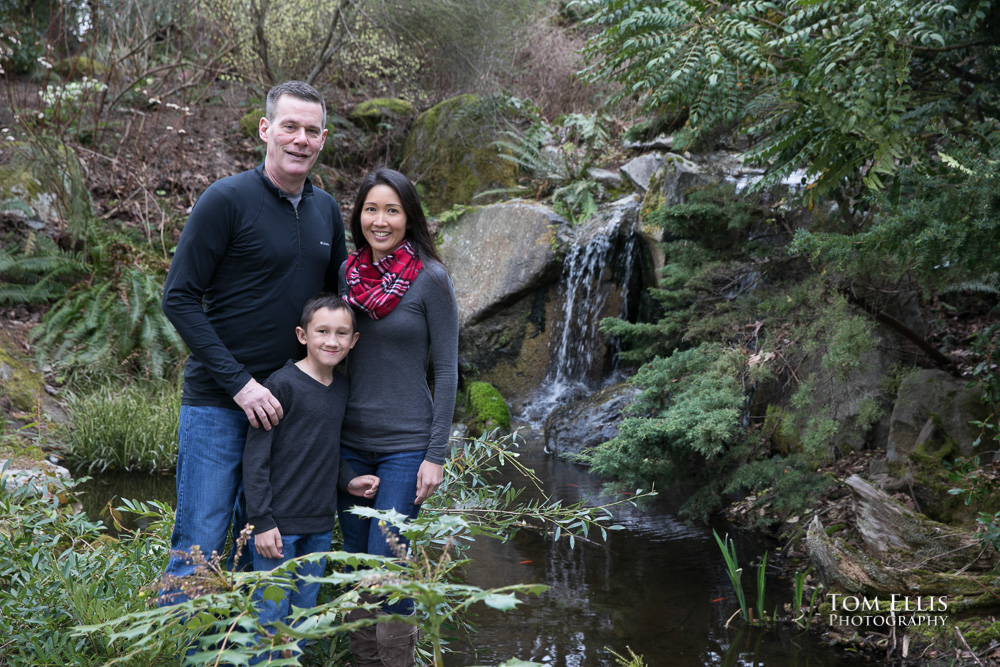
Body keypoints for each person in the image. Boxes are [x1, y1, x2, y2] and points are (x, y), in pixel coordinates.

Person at [160, 80, 346, 599]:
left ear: (323, 139)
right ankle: (180, 647)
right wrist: (241, 384)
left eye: (312, 131)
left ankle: (249, 654)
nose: (300, 139)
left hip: (289, 415)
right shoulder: (225, 200)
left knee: (265, 555)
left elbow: (337, 308)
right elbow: (178, 299)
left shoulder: (327, 212)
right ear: (266, 129)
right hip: (220, 406)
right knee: (198, 546)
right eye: (290, 126)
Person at [338, 167, 459, 667]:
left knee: (388, 568)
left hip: (406, 447)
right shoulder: (345, 275)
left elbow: (449, 372)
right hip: (347, 445)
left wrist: (435, 455)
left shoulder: (431, 279)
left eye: (392, 210)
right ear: (358, 216)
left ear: (409, 217)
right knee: (355, 568)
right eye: (371, 209)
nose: (380, 220)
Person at [243, 295, 379, 661]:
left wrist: (349, 481)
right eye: (322, 331)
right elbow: (255, 457)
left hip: (319, 525)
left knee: (302, 621)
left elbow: (326, 449)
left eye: (341, 333)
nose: (331, 341)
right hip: (277, 528)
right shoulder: (281, 385)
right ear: (303, 335)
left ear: (354, 341)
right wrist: (261, 520)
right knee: (269, 620)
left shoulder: (342, 389)